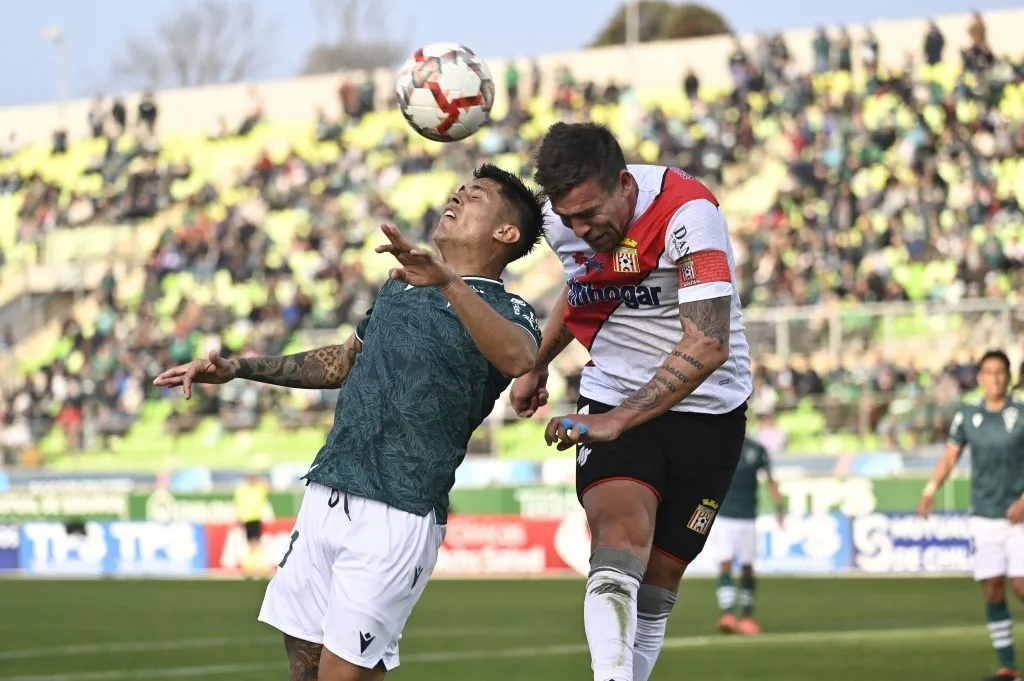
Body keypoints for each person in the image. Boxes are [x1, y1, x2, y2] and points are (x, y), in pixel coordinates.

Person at [153, 164, 544, 681]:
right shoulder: (399, 288)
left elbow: (519, 359)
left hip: (400, 507)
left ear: (506, 233)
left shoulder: (508, 308)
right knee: (305, 667)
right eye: (459, 189)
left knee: (343, 674)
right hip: (331, 486)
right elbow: (339, 363)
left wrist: (448, 281)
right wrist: (239, 368)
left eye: (475, 196)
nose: (457, 196)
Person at [510, 122, 751, 681]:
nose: (579, 229)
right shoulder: (562, 222)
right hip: (611, 392)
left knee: (658, 586)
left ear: (623, 183)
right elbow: (582, 285)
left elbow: (708, 342)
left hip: (709, 408)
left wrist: (620, 420)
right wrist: (538, 362)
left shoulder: (689, 212)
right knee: (616, 547)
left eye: (589, 214)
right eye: (567, 218)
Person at [918, 350, 1024, 681]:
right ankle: (1008, 666)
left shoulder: (1022, 413)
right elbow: (950, 457)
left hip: (1020, 517)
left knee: (1021, 585)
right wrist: (930, 490)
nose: (994, 378)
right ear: (979, 378)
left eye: (1000, 372)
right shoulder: (968, 415)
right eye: (988, 372)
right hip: (984, 515)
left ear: (1009, 377)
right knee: (993, 588)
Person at [710, 435, 784, 636]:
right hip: (725, 516)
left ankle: (746, 617)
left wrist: (779, 508)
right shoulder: (721, 445)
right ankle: (727, 614)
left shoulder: (758, 450)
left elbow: (770, 480)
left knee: (747, 567)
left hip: (748, 517)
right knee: (725, 562)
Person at [234, 472, 270, 579]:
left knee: (255, 543)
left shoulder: (259, 489)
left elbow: (268, 487)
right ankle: (252, 567)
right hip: (246, 519)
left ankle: (256, 567)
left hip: (256, 518)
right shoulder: (242, 490)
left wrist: (258, 480)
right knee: (251, 543)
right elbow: (238, 504)